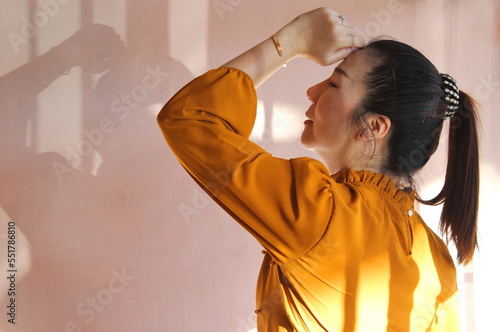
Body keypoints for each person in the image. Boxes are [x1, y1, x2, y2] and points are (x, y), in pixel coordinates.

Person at [157, 7, 479, 331]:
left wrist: (289, 42)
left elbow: (190, 118)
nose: (312, 92)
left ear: (374, 126)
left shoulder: (318, 210)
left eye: (335, 85)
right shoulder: (439, 262)